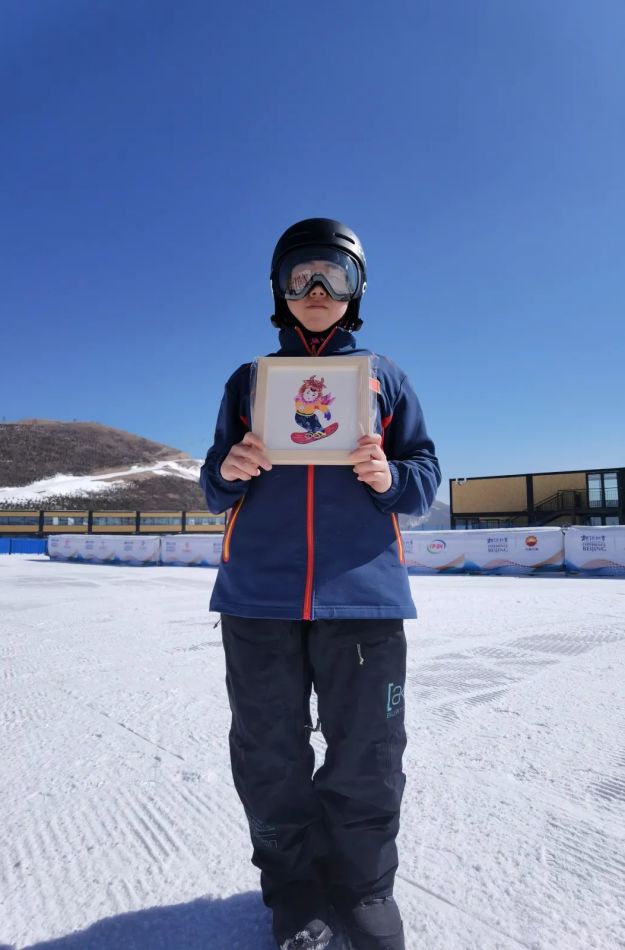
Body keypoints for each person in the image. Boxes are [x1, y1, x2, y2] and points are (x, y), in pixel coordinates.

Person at [199, 218, 441, 950]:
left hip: (361, 596)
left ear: (355, 288)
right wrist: (228, 470)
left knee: (367, 748)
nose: (315, 289)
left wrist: (389, 476)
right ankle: (294, 888)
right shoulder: (248, 380)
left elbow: (423, 477)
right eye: (301, 273)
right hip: (259, 598)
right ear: (278, 288)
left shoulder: (384, 377)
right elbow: (213, 483)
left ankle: (363, 886)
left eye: (332, 274)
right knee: (268, 750)